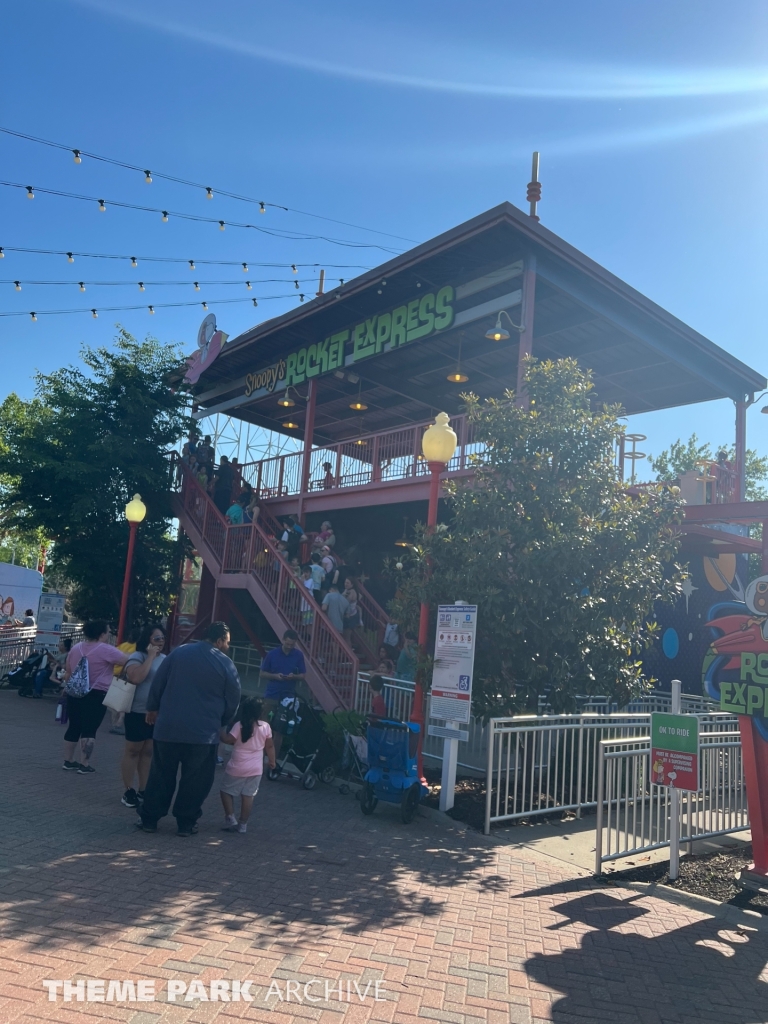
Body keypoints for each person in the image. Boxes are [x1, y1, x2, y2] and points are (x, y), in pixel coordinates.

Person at [137, 621, 241, 836]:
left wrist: (153, 707)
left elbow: (159, 682)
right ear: (219, 641)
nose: (227, 646)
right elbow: (233, 699)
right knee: (196, 780)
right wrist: (221, 720)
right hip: (204, 733)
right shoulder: (226, 663)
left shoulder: (179, 653)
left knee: (160, 775)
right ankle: (186, 822)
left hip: (169, 728)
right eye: (227, 642)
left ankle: (150, 819)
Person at [62, 620, 129, 774]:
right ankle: (84, 763)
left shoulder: (76, 648)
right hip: (96, 693)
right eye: (107, 632)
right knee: (90, 728)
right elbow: (126, 660)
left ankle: (68, 760)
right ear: (102, 634)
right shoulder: (106, 649)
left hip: (75, 692)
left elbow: (68, 670)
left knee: (74, 726)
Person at [120, 624, 166, 809]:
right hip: (137, 710)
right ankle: (128, 789)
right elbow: (136, 678)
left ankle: (143, 788)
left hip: (156, 712)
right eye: (157, 638)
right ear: (147, 640)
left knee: (148, 751)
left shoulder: (166, 659)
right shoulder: (137, 657)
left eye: (162, 638)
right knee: (133, 750)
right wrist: (150, 656)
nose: (161, 642)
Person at [219, 697, 276, 833]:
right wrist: (272, 761)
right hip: (256, 768)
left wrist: (220, 730)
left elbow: (228, 739)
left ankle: (230, 818)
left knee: (226, 791)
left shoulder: (239, 725)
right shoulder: (265, 727)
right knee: (248, 795)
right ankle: (243, 824)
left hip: (237, 765)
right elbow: (269, 746)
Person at [259, 629, 306, 758]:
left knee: (280, 730)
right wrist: (275, 676)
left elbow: (303, 675)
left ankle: (272, 760)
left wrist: (294, 676)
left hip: (288, 697)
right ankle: (259, 757)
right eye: (288, 643)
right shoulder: (272, 654)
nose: (290, 646)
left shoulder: (298, 655)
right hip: (272, 694)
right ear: (283, 640)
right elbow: (262, 673)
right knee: (264, 727)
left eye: (292, 644)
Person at [342, 577, 360, 645]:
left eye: (347, 583)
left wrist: (343, 595)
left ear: (352, 584)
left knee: (347, 637)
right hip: (348, 616)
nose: (345, 584)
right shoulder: (346, 590)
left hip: (351, 617)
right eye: (345, 582)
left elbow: (346, 601)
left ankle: (348, 651)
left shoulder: (352, 591)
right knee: (345, 636)